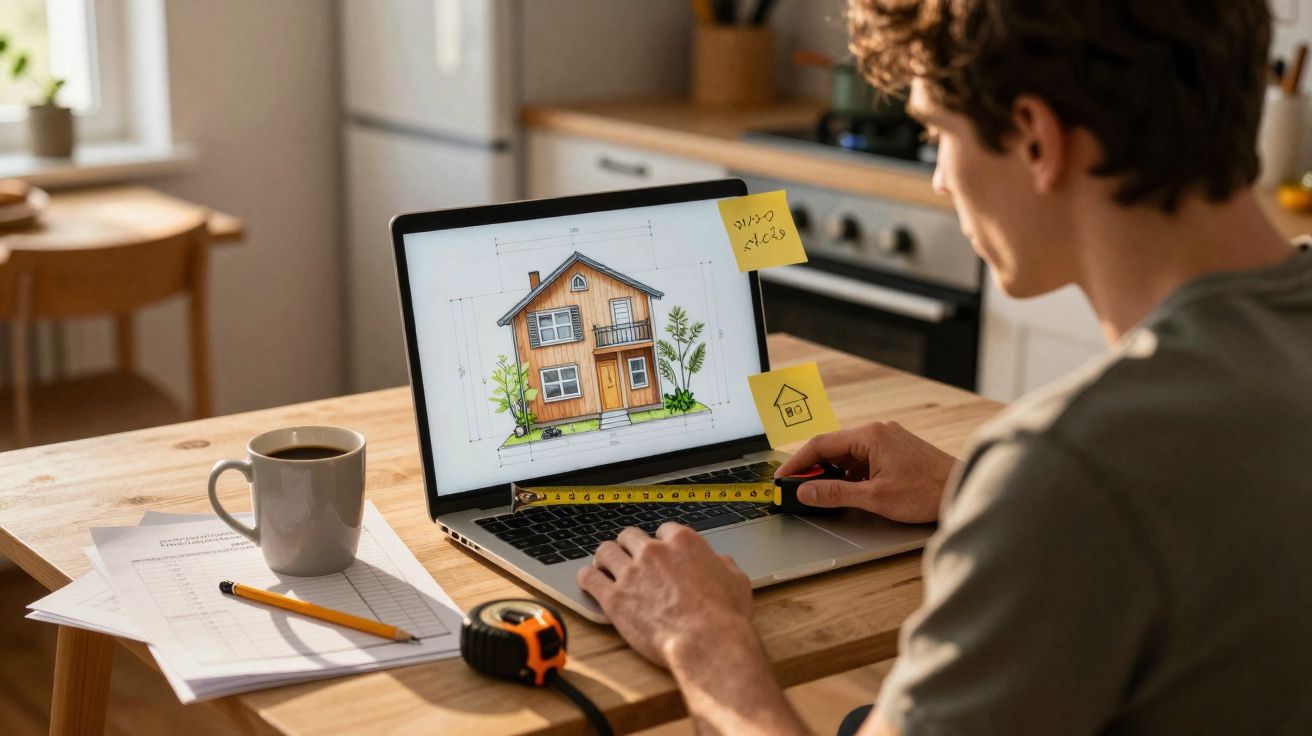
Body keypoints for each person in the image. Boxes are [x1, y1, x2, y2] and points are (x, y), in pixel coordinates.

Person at [577, 0, 1312, 733]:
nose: (938, 180)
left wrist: (701, 637)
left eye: (936, 134)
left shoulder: (1069, 467)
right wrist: (971, 491)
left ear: (1034, 138)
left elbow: (1103, 496)